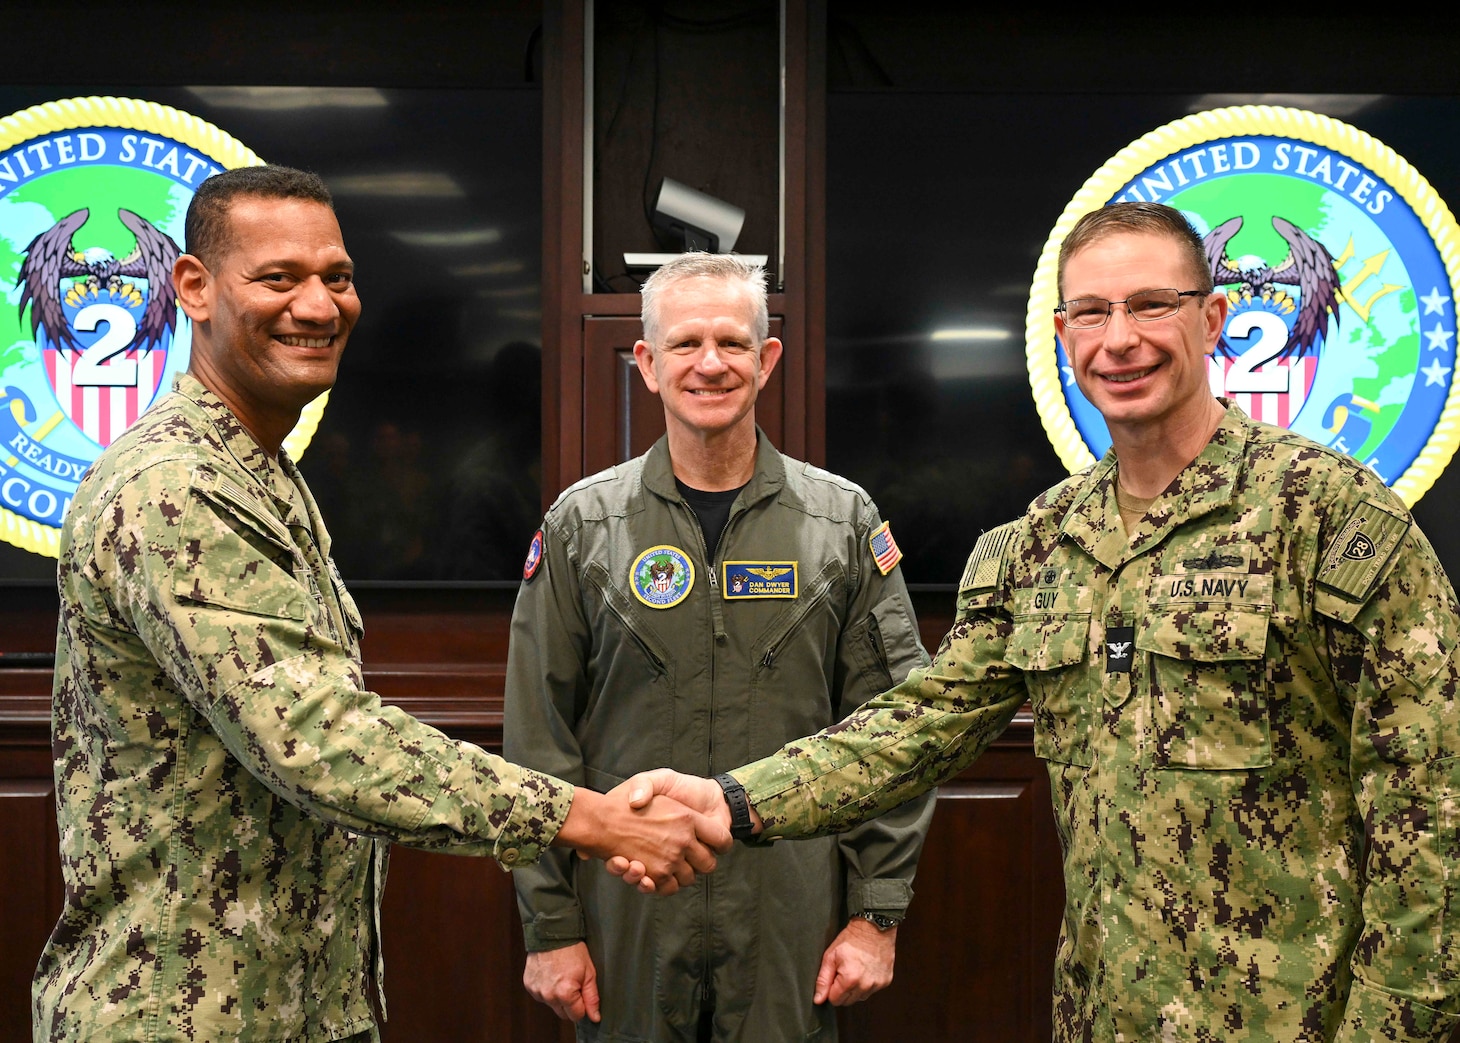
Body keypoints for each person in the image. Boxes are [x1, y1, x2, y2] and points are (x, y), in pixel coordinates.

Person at [625, 204, 1460, 1041]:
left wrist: (1399, 1024)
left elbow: (1428, 801)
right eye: (1092, 313)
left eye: (1151, 305)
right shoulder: (1039, 545)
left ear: (1211, 320)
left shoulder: (1326, 515)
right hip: (1102, 1014)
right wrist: (732, 799)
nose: (1119, 338)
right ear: (1064, 336)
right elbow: (916, 726)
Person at [33, 165, 727, 1043]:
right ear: (195, 289)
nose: (320, 306)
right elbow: (317, 737)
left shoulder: (262, 476)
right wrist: (584, 816)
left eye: (339, 277)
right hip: (184, 1011)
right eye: (279, 278)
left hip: (283, 1006)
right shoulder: (176, 486)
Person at [504, 252, 935, 1041]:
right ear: (647, 363)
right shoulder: (581, 528)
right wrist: (551, 925)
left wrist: (877, 915)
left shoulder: (841, 523)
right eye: (685, 343)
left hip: (788, 914)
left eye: (733, 343)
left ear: (767, 360)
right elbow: (540, 741)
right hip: (626, 914)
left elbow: (897, 732)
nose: (710, 363)